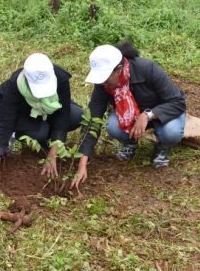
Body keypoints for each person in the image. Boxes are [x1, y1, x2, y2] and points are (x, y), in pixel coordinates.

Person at [71, 42, 187, 190]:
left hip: (163, 113)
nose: (103, 83)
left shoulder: (148, 69)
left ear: (118, 70)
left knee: (171, 132)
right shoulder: (103, 84)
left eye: (106, 78)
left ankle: (163, 146)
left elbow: (178, 102)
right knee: (113, 126)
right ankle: (130, 142)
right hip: (131, 116)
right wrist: (82, 163)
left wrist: (147, 116)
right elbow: (93, 119)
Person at [0, 53, 83, 184]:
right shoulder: (16, 84)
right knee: (39, 133)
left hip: (44, 109)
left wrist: (52, 155)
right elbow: (5, 123)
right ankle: (16, 134)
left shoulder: (60, 79)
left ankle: (46, 136)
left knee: (76, 115)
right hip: (20, 110)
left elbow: (63, 115)